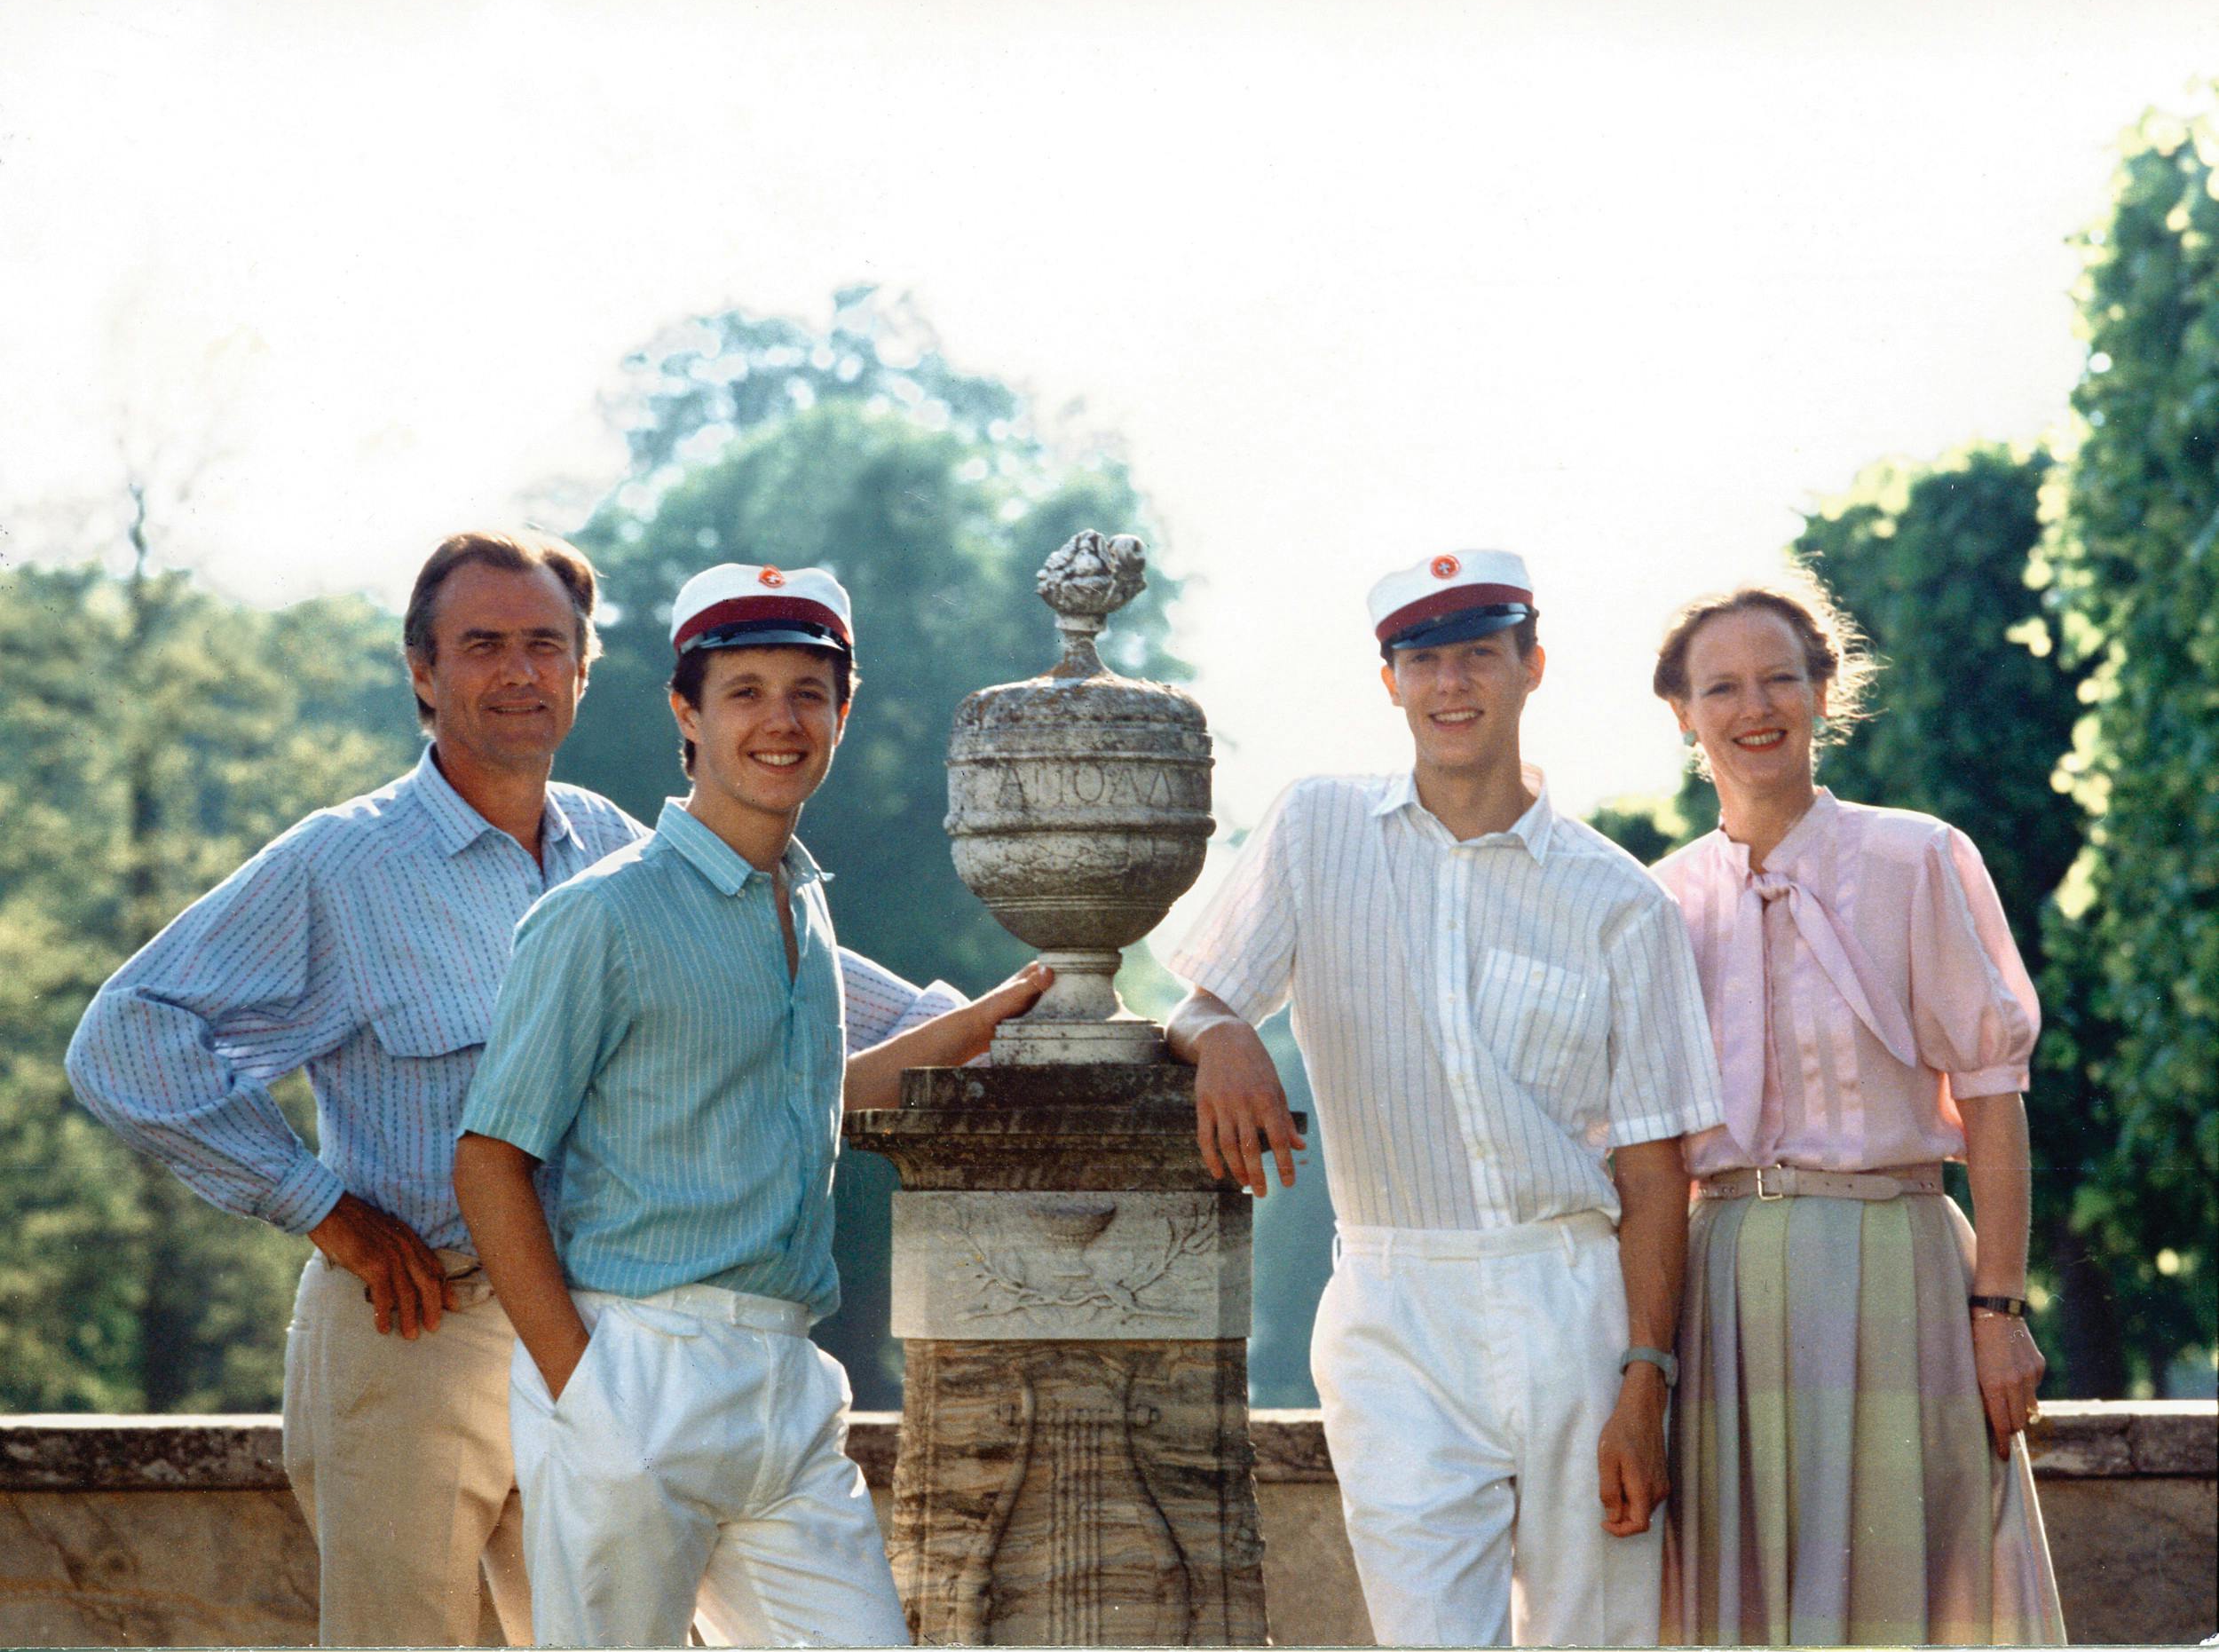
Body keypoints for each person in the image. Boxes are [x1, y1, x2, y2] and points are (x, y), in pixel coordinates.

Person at [64, 533, 963, 1648]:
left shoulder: (612, 845)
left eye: (547, 644)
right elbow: (126, 1038)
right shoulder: (344, 864)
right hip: (414, 1329)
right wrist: (317, 1205)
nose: (519, 672)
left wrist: (1051, 1013)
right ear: (422, 672)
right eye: (482, 644)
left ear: (585, 672)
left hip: (596, 1327)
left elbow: (817, 1004)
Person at [453, 561, 1051, 1648]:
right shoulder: (604, 915)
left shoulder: (804, 911)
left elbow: (807, 1104)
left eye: (808, 693)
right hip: (636, 1366)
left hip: (784, 1379)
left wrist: (972, 1029)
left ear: (842, 711)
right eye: (745, 692)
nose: (780, 720)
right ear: (686, 711)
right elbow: (489, 1160)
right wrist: (587, 1394)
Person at [1163, 549, 1726, 1648]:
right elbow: (1196, 1002)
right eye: (1423, 660)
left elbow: (1656, 1174)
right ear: (1390, 682)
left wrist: (1643, 1382)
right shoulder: (1315, 829)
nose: (1451, 684)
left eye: (1479, 654)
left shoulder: (1619, 901)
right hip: (1392, 1301)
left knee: (1599, 1637)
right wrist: (1223, 1033)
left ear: (1532, 668)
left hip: (1574, 1300)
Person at [1647, 571, 2065, 1646]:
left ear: (1824, 693)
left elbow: (1991, 1099)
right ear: (1683, 714)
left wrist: (2000, 1313)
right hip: (1725, 1286)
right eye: (1723, 688)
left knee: (1913, 1593)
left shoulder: (1916, 856)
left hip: (1900, 1273)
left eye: (1780, 679)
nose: (1754, 709)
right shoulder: (1658, 903)